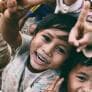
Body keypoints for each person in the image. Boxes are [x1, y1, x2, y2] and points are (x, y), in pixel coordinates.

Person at [0, 2, 77, 91]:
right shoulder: (29, 46)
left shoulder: (51, 80)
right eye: (46, 38)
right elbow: (11, 36)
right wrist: (9, 19)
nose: (48, 50)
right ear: (34, 35)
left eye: (61, 50)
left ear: (66, 60)